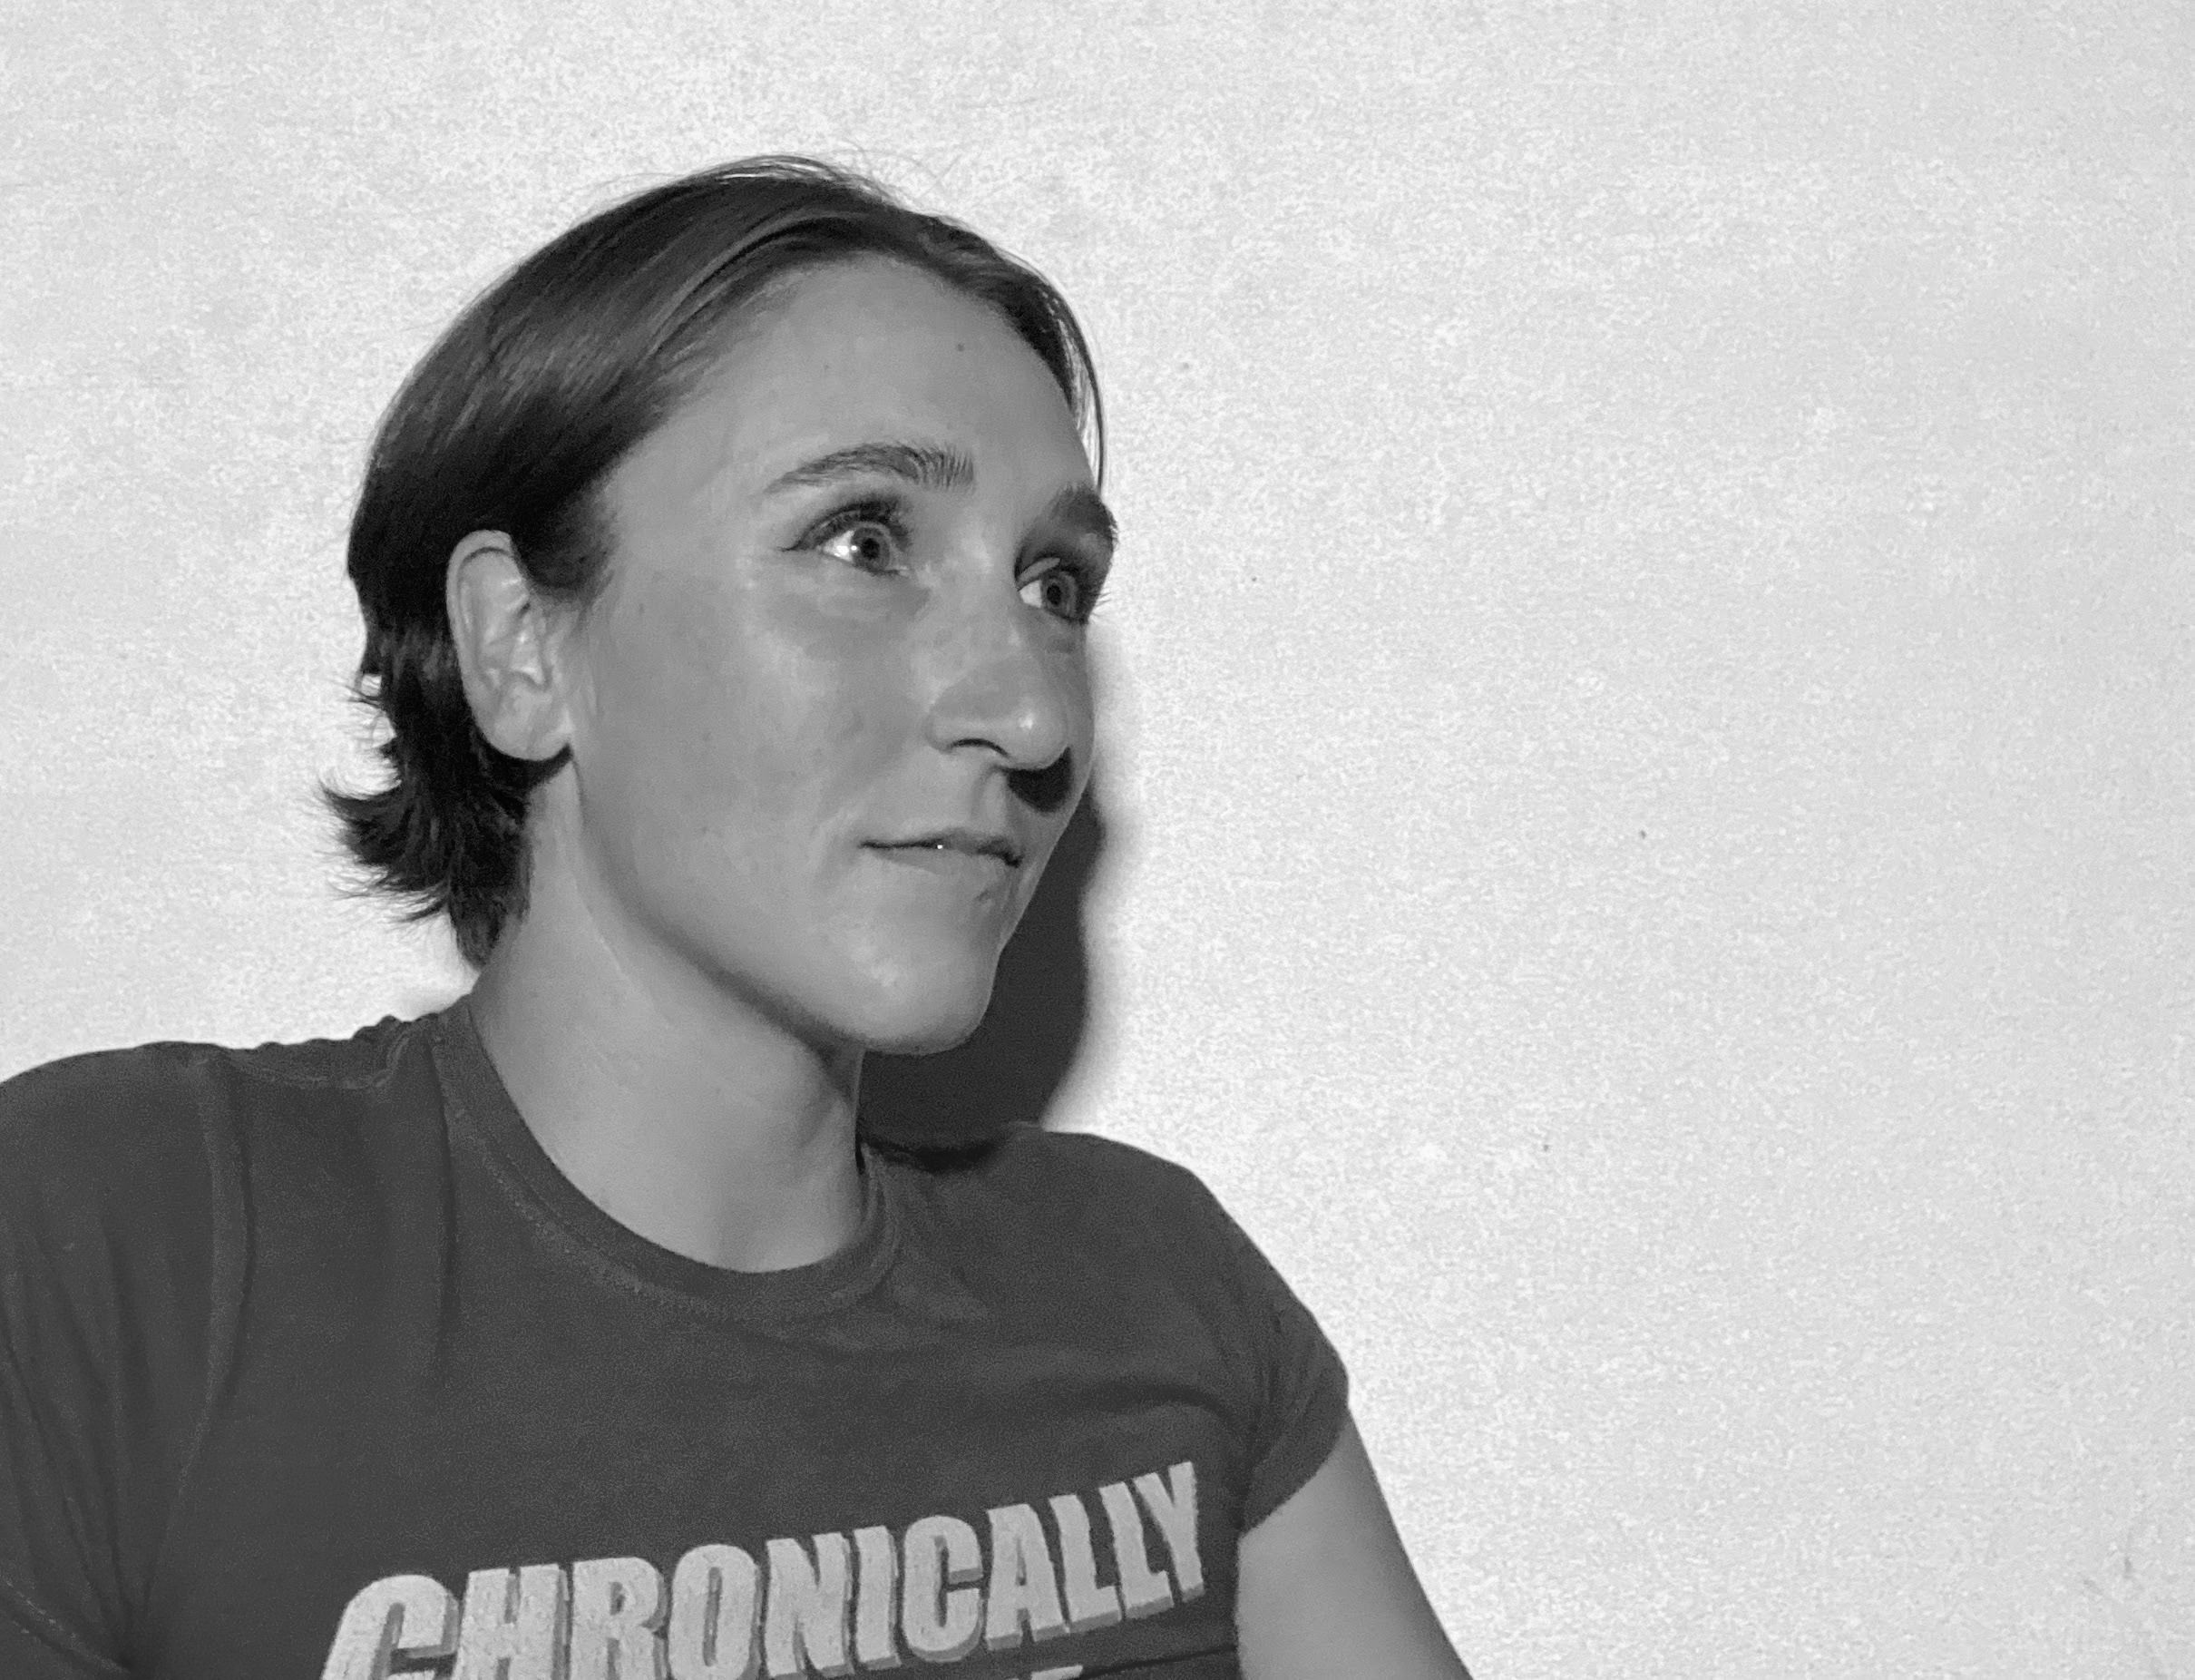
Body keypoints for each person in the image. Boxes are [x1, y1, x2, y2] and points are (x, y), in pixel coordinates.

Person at [0, 157, 1468, 1680]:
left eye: (1055, 586)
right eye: (863, 542)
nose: (1035, 715)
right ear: (522, 646)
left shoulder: (1154, 1288)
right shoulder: (127, 1253)